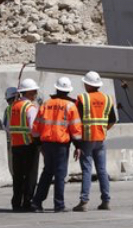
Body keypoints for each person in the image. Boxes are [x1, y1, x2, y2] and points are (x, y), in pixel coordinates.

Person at [31, 77, 82, 213]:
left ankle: (36, 203)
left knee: (47, 172)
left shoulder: (46, 104)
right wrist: (78, 146)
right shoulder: (71, 106)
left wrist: (38, 144)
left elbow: (36, 127)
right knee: (60, 174)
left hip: (46, 143)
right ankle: (59, 205)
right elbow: (76, 129)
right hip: (61, 145)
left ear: (57, 89)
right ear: (68, 91)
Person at [73, 71, 117, 212]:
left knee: (87, 170)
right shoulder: (107, 99)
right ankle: (106, 201)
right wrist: (103, 129)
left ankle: (84, 201)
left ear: (87, 84)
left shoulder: (82, 98)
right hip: (100, 139)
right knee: (102, 170)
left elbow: (76, 121)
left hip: (86, 139)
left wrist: (77, 143)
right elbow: (112, 120)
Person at [8, 78, 41, 212]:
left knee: (18, 175)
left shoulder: (12, 107)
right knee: (30, 175)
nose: (36, 94)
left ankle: (16, 202)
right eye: (34, 91)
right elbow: (34, 129)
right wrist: (39, 142)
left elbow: (8, 127)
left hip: (16, 145)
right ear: (29, 92)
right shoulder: (30, 107)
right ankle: (27, 202)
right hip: (29, 145)